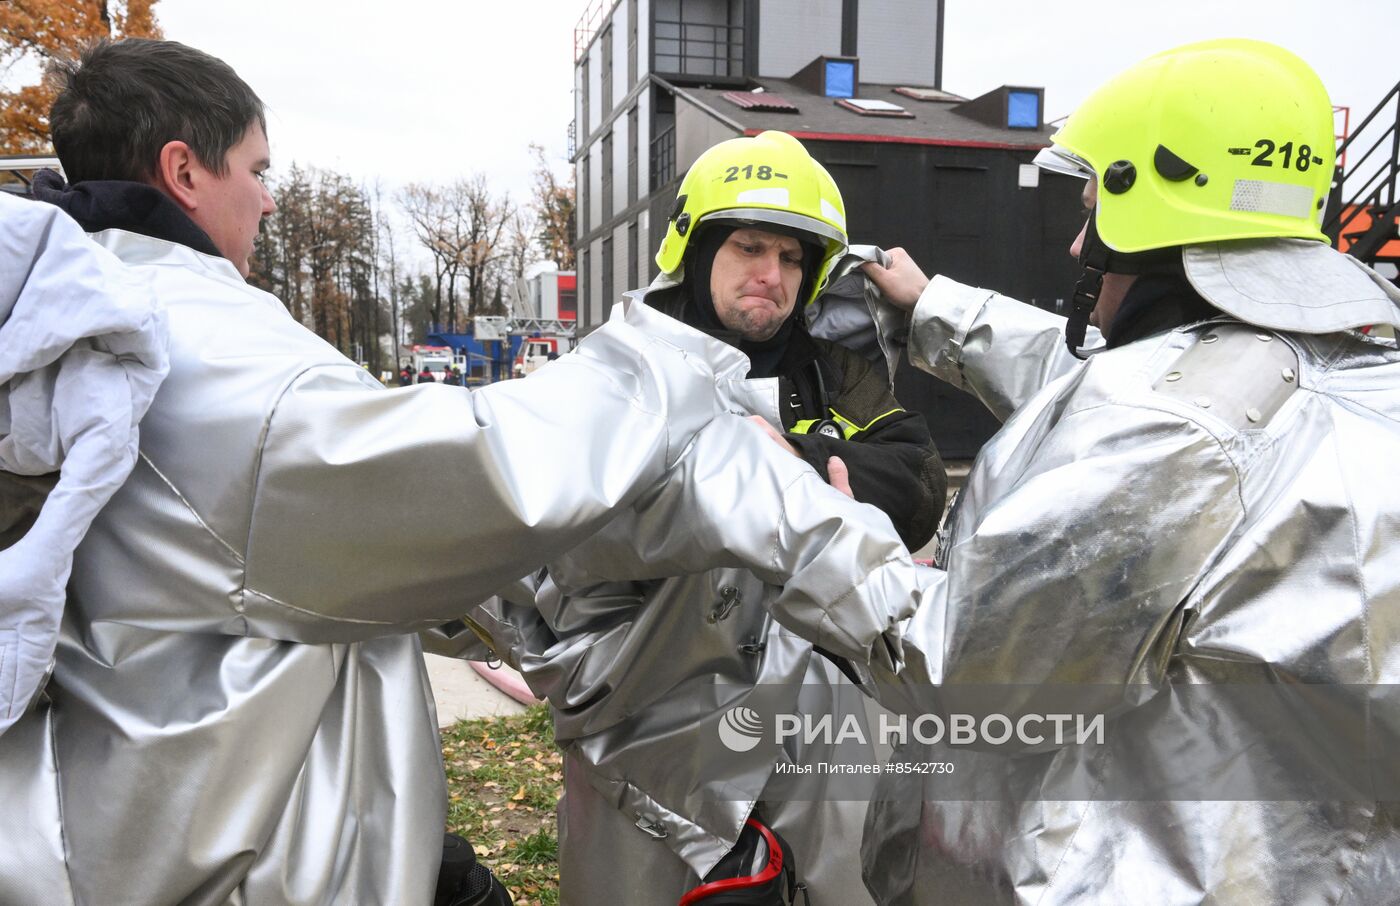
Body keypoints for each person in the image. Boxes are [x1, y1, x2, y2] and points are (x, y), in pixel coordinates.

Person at [0, 39, 916, 906]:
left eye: (792, 256)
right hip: (240, 843)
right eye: (259, 170)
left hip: (175, 809)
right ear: (183, 171)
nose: (270, 201)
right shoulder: (206, 360)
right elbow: (466, 479)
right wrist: (672, 390)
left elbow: (910, 478)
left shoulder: (85, 328)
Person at [832, 39, 1400, 904]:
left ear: (1151, 211)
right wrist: (940, 309)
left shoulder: (1166, 433)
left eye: (1092, 209)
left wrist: (835, 544)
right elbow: (1146, 402)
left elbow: (960, 676)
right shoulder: (1358, 378)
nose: (1073, 243)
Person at [480, 131, 945, 904]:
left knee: (836, 882)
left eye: (793, 258)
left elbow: (917, 477)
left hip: (823, 716)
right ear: (695, 251)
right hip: (657, 728)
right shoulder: (618, 369)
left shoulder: (832, 370)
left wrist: (791, 459)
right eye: (750, 248)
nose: (772, 275)